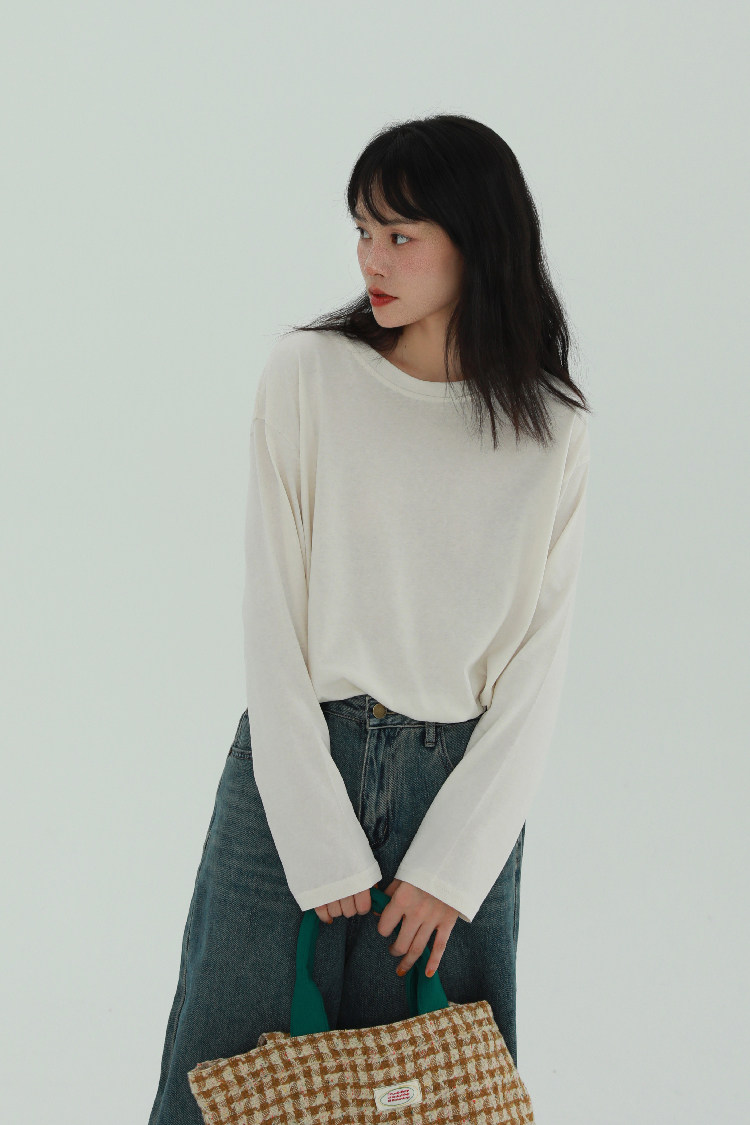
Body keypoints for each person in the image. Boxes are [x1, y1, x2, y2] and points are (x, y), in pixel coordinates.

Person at [148, 112, 592, 1124]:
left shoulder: (552, 431)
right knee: (218, 1083)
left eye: (400, 234)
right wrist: (316, 834)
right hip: (297, 767)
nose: (371, 260)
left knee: (434, 1093)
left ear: (477, 240)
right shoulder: (308, 376)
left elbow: (539, 671)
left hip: (459, 788)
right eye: (362, 231)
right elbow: (271, 614)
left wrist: (452, 868)